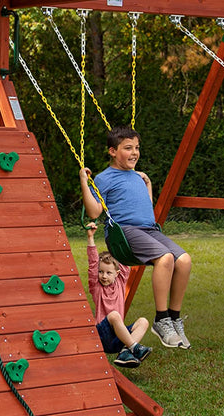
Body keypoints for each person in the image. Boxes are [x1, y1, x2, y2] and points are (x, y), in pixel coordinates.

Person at [80, 126, 192, 350]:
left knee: (184, 260)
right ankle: (161, 320)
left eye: (137, 148)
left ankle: (174, 317)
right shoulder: (104, 178)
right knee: (166, 258)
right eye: (128, 148)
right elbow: (93, 212)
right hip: (124, 232)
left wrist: (148, 185)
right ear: (112, 151)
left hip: (149, 230)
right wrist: (84, 180)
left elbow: (144, 210)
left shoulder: (137, 177)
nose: (134, 153)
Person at [86, 221, 151, 368]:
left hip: (118, 337)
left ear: (118, 274)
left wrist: (119, 231)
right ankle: (135, 348)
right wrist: (91, 238)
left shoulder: (120, 283)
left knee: (143, 321)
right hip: (102, 335)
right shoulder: (97, 287)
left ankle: (125, 352)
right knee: (114, 315)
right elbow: (92, 264)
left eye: (109, 273)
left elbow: (122, 259)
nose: (103, 276)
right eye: (101, 272)